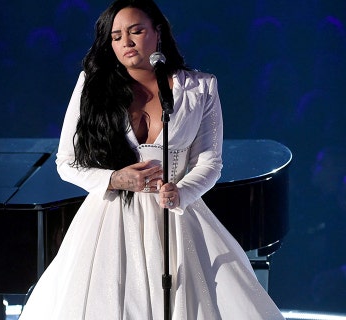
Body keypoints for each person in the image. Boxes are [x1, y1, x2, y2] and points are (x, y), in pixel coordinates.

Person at [18, 0, 284, 319]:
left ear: (158, 33)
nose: (126, 42)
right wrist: (116, 179)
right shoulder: (92, 84)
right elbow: (66, 161)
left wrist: (182, 192)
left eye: (136, 31)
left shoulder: (200, 87)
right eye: (116, 36)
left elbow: (210, 162)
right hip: (109, 218)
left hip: (176, 216)